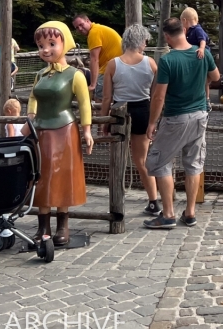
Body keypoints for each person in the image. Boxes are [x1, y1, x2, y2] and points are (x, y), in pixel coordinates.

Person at [143, 17, 220, 230]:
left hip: (176, 117)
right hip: (200, 115)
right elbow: (216, 76)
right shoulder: (201, 53)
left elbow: (159, 97)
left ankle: (167, 214)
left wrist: (152, 123)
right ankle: (190, 212)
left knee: (160, 162)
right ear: (184, 30)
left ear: (167, 36)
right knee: (193, 164)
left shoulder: (168, 61)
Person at [29, 21, 94, 246]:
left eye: (51, 43)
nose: (45, 49)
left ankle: (62, 225)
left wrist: (87, 130)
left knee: (63, 177)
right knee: (42, 177)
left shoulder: (74, 75)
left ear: (64, 43)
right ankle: (43, 226)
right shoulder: (40, 74)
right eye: (41, 45)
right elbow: (33, 96)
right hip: (41, 131)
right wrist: (31, 113)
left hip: (64, 130)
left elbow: (84, 104)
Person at [101, 24, 161, 216]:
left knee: (117, 159)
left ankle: (117, 199)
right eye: (145, 40)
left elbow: (106, 98)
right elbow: (156, 93)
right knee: (141, 160)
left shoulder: (113, 64)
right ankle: (153, 200)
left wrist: (103, 121)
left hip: (119, 112)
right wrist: (155, 119)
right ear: (139, 41)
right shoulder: (150, 63)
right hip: (143, 109)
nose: (146, 44)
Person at [72, 14, 123, 101]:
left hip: (109, 69)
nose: (80, 29)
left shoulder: (94, 33)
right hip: (120, 67)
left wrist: (92, 84)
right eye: (77, 27)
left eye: (81, 25)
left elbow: (94, 59)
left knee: (99, 99)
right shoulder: (98, 29)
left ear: (88, 21)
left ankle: (101, 114)